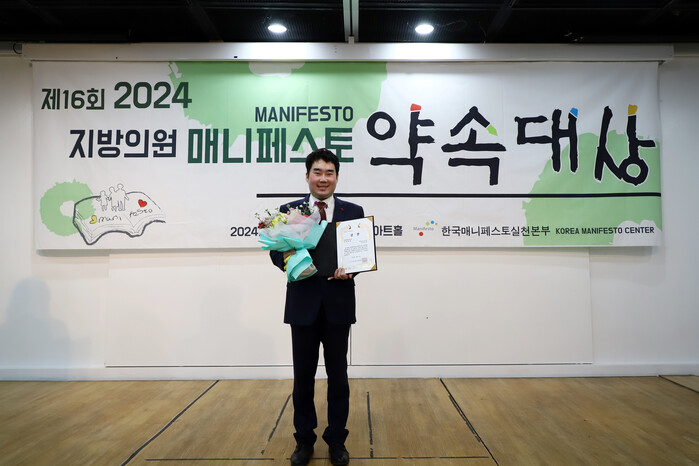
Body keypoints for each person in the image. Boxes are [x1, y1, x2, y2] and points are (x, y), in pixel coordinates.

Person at [270, 148, 364, 466]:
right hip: (303, 303)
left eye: (329, 173)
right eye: (317, 172)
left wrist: (352, 269)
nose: (323, 178)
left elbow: (360, 252)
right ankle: (304, 441)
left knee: (338, 377)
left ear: (337, 176)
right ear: (307, 175)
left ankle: (336, 440)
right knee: (303, 378)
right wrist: (292, 262)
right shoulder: (290, 211)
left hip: (338, 302)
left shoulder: (353, 211)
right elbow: (276, 252)